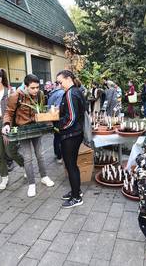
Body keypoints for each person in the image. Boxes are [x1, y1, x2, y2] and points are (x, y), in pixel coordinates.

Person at [2, 74, 55, 197]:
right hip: (23, 129)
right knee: (28, 157)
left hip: (36, 128)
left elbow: (42, 109)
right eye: (32, 88)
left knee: (40, 154)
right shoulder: (16, 96)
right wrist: (6, 124)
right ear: (26, 86)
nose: (36, 90)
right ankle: (31, 184)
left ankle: (44, 176)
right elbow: (8, 112)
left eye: (37, 87)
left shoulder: (40, 94)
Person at [56, 70, 86, 208]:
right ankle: (76, 191)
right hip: (75, 134)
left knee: (71, 165)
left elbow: (71, 118)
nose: (59, 85)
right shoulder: (76, 91)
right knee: (72, 165)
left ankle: (76, 198)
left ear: (68, 79)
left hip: (70, 135)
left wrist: (59, 125)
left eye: (60, 82)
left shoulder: (70, 93)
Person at [48, 81, 65, 163]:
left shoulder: (52, 93)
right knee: (60, 137)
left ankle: (56, 153)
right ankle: (59, 156)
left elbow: (49, 106)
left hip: (54, 118)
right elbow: (59, 107)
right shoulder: (61, 93)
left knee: (56, 136)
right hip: (59, 118)